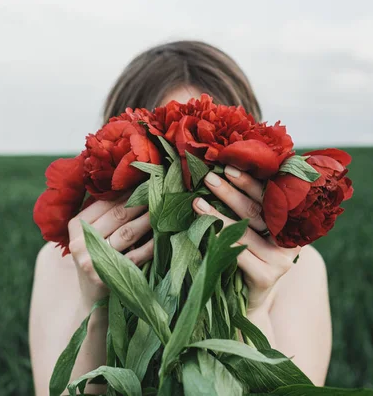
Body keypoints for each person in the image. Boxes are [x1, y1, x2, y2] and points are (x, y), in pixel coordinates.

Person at [29, 40, 332, 395]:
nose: (188, 187)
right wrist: (98, 306)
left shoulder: (297, 268)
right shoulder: (63, 266)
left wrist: (251, 309)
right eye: (162, 160)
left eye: (216, 163)